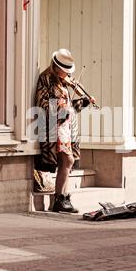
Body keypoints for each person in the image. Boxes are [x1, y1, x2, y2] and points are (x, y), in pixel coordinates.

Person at [34, 49, 96, 213]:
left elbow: (71, 108)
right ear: (56, 67)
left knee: (66, 163)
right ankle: (59, 199)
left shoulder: (63, 83)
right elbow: (42, 104)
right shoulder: (45, 79)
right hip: (54, 128)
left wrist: (84, 102)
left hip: (67, 128)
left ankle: (61, 199)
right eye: (65, 71)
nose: (68, 74)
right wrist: (62, 111)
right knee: (67, 161)